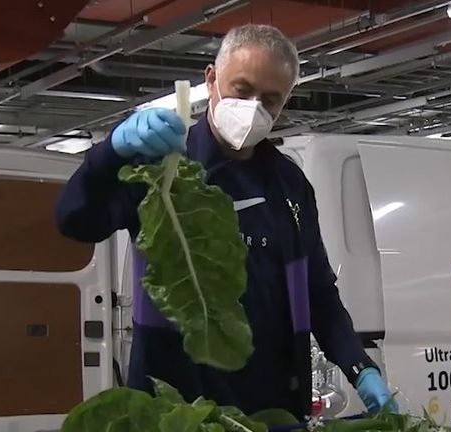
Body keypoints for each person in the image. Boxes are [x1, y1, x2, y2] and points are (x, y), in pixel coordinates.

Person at [56, 24, 395, 419]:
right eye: (242, 90)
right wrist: (109, 153)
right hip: (179, 410)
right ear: (211, 79)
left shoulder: (290, 184)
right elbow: (74, 221)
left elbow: (319, 292)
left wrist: (360, 366)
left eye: (271, 100)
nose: (254, 109)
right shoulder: (164, 171)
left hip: (273, 409)